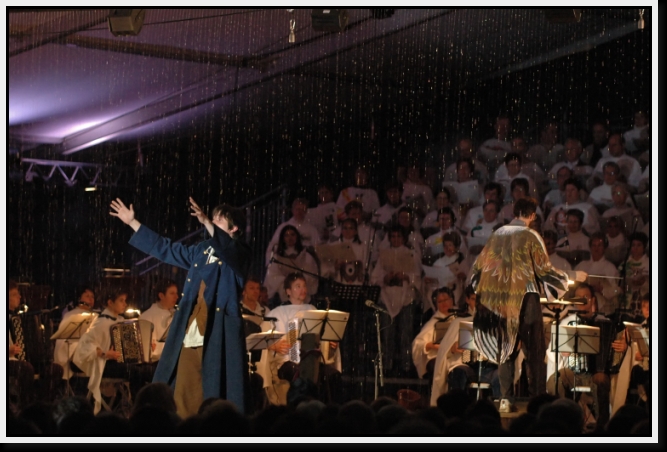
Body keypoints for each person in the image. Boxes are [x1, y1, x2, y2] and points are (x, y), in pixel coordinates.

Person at [109, 196, 251, 418]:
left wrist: (207, 222)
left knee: (216, 391)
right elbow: (166, 249)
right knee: (184, 387)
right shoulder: (202, 250)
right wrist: (133, 223)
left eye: (219, 220)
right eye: (212, 218)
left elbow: (229, 251)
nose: (212, 221)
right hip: (192, 327)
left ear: (233, 229)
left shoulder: (240, 252)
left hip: (218, 330)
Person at [467, 197, 586, 412]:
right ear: (532, 215)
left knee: (506, 348)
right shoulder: (531, 236)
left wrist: (487, 293)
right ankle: (537, 400)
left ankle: (505, 398)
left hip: (501, 301)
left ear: (514, 212)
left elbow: (478, 268)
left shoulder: (498, 234)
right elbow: (544, 270)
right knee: (534, 351)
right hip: (526, 299)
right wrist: (572, 276)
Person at [257, 272, 341, 406]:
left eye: (304, 286)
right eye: (298, 286)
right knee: (298, 372)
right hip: (287, 360)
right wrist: (273, 345)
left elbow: (322, 337)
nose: (303, 289)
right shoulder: (277, 312)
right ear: (288, 291)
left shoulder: (312, 309)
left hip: (312, 359)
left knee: (332, 375)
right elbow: (261, 339)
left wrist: (329, 343)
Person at [545, 282, 616, 429]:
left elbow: (615, 350)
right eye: (578, 298)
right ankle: (563, 424)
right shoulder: (566, 323)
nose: (582, 301)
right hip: (573, 372)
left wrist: (620, 346)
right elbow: (552, 351)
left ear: (593, 300)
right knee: (556, 380)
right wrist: (561, 351)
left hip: (596, 373)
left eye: (586, 297)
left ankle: (602, 427)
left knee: (601, 380)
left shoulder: (604, 322)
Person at [429, 286, 500, 406]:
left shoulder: (498, 324)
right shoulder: (460, 322)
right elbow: (446, 350)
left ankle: (498, 410)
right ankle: (456, 409)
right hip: (468, 366)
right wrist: (453, 348)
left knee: (500, 376)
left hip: (491, 368)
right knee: (458, 372)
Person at [72, 289, 129, 414]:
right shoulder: (100, 322)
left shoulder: (120, 321)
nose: (125, 304)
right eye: (121, 301)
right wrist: (105, 353)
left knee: (143, 368)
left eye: (125, 300)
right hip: (103, 363)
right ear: (110, 303)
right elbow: (85, 347)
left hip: (116, 362)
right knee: (136, 372)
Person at [263, 225, 320, 306]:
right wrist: (289, 281)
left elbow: (311, 274)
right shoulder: (277, 257)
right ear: (283, 238)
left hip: (303, 296)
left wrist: (298, 281)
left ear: (297, 236)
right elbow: (273, 276)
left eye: (292, 234)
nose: (290, 238)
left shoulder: (306, 256)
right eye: (286, 235)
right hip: (283, 295)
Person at [412, 288, 458, 384]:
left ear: (452, 300)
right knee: (438, 367)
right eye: (440, 301)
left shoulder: (460, 317)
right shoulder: (434, 322)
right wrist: (432, 346)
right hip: (437, 356)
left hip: (457, 357)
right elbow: (417, 344)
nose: (443, 303)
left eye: (446, 300)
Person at [53, 285, 97, 381]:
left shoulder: (95, 315)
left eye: (92, 297)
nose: (90, 299)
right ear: (79, 299)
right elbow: (64, 342)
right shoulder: (71, 315)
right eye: (87, 296)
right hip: (76, 356)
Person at [574, 232, 621, 316]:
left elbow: (616, 290)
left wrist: (602, 290)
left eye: (599, 245)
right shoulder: (582, 265)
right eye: (594, 245)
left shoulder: (610, 267)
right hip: (581, 306)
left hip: (603, 309)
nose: (596, 248)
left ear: (604, 248)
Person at [265, 197, 322, 265]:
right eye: (297, 209)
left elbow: (317, 247)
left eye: (302, 209)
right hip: (286, 261)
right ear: (293, 210)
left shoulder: (311, 229)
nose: (299, 212)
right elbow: (273, 246)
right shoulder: (283, 227)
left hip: (306, 262)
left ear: (306, 211)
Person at [8, 280, 37, 410]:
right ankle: (25, 408)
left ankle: (41, 405)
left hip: (14, 360)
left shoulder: (16, 317)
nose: (19, 297)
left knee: (54, 369)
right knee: (26, 368)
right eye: (15, 294)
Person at [139, 279, 179, 362]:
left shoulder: (177, 314)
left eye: (176, 293)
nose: (176, 297)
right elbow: (149, 348)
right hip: (158, 363)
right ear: (161, 296)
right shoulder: (147, 317)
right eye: (172, 293)